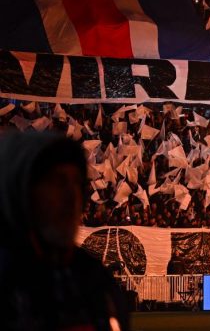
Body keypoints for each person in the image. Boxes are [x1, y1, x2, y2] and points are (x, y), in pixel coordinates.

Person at [0, 131, 130, 330]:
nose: (72, 196)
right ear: (23, 191)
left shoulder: (95, 279)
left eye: (76, 183)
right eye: (58, 182)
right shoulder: (8, 279)